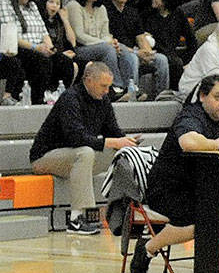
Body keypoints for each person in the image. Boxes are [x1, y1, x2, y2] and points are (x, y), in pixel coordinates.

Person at [131, 73, 219, 273]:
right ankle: (147, 248)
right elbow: (189, 143)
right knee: (209, 220)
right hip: (167, 190)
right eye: (217, 97)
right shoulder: (190, 116)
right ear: (202, 96)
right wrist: (217, 144)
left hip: (199, 189)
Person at [30, 61, 138, 234]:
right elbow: (75, 138)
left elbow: (113, 130)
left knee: (123, 153)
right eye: (103, 86)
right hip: (45, 158)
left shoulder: (102, 99)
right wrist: (112, 142)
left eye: (108, 86)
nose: (106, 91)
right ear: (88, 80)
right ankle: (78, 219)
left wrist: (127, 141)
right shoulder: (70, 98)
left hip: (75, 158)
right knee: (86, 152)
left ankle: (128, 210)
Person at [0, 0, 74, 103]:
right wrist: (36, 47)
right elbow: (10, 34)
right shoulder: (5, 2)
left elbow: (43, 31)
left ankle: (57, 96)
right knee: (41, 60)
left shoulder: (33, 5)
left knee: (65, 62)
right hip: (18, 48)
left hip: (39, 47)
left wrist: (50, 48)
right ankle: (37, 99)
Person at [67, 0, 139, 97]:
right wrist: (106, 43)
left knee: (123, 49)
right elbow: (80, 36)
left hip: (101, 46)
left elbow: (105, 34)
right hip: (80, 48)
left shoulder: (101, 8)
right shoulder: (74, 6)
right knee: (108, 49)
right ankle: (116, 87)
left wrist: (112, 42)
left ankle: (130, 88)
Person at [103, 0, 169, 99]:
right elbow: (110, 40)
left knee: (161, 59)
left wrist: (147, 52)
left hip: (135, 51)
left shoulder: (132, 12)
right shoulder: (105, 11)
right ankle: (132, 93)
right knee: (132, 57)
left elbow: (140, 37)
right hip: (117, 51)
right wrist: (136, 52)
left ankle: (161, 96)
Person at [144, 0, 196, 86]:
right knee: (173, 62)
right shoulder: (147, 15)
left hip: (172, 55)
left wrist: (186, 61)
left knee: (176, 62)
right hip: (153, 55)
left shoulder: (178, 14)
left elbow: (192, 41)